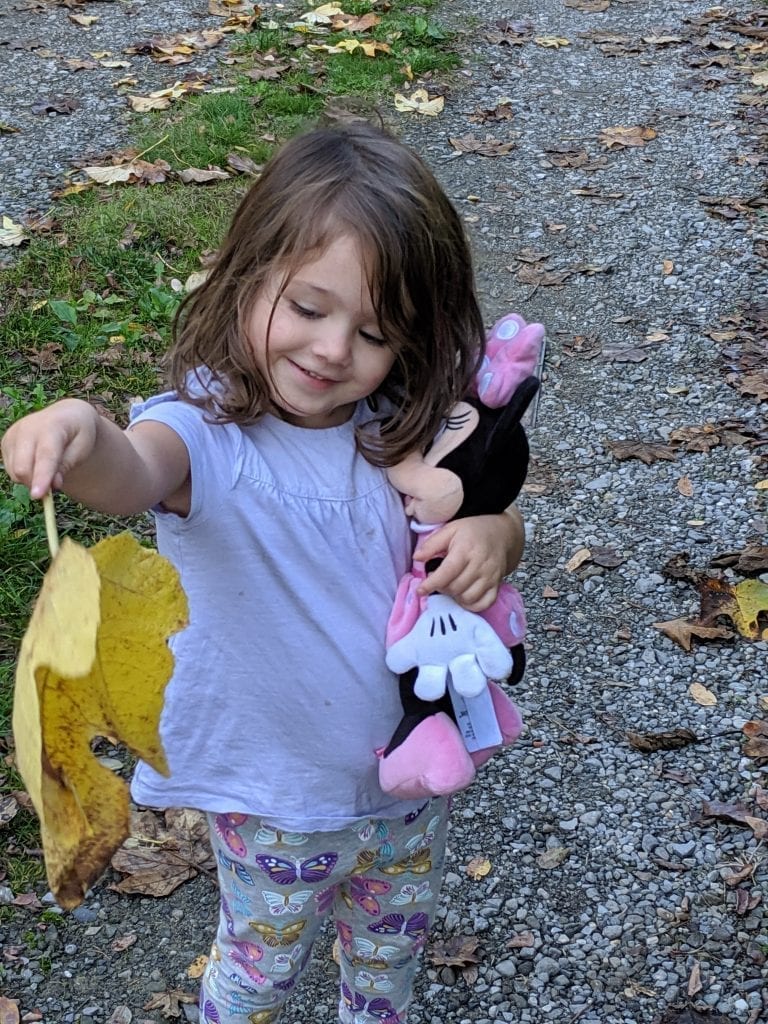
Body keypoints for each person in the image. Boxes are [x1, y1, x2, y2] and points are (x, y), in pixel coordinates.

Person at [1, 122, 525, 1024]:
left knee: (390, 959)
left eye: (374, 331)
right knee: (259, 969)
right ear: (248, 278)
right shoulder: (204, 437)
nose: (333, 349)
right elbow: (132, 473)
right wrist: (78, 430)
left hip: (405, 781)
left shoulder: (404, 428)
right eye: (309, 308)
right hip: (273, 798)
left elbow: (486, 510)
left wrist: (495, 537)